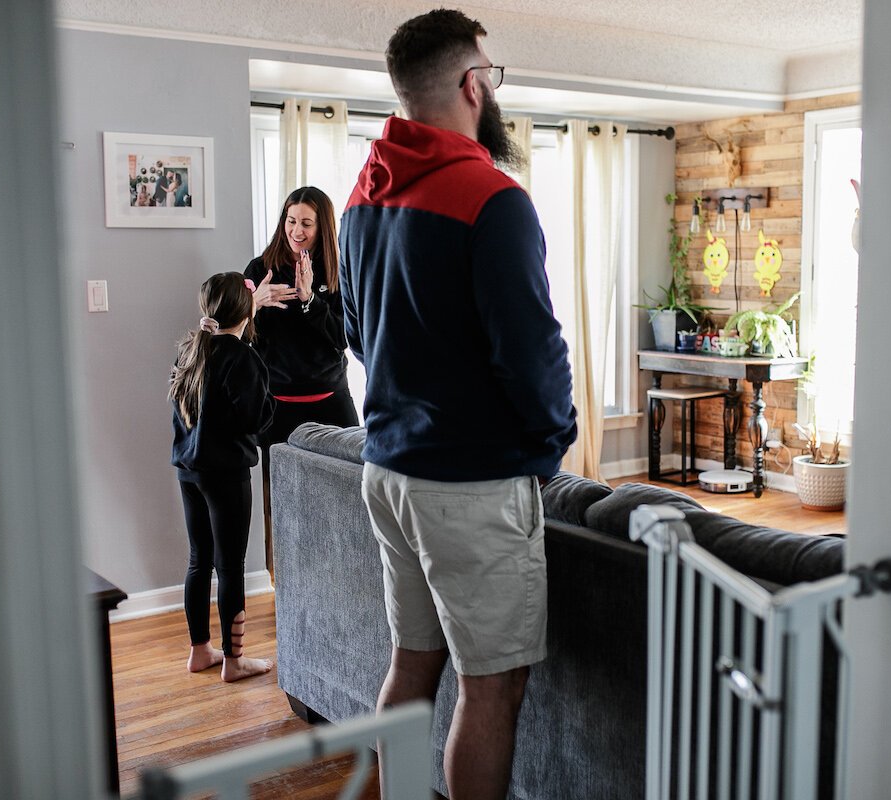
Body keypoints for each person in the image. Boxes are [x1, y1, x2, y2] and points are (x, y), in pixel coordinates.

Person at [338, 10, 576, 799]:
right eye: (492, 76)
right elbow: (533, 354)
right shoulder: (492, 198)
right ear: (474, 85)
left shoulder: (360, 198)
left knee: (411, 666)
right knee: (492, 687)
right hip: (469, 487)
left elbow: (358, 334)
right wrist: (550, 446)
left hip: (387, 471)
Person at [243, 186, 359, 576]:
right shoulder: (260, 270)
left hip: (330, 402)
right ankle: (285, 581)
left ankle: (340, 577)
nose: (297, 230)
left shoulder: (340, 273)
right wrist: (253, 304)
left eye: (306, 223)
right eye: (291, 220)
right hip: (278, 406)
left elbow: (343, 339)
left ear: (321, 227)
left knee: (344, 495)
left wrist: (311, 301)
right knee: (282, 502)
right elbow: (236, 335)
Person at [169, 272, 276, 683]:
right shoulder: (243, 358)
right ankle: (234, 661)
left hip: (188, 470)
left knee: (200, 561)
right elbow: (256, 419)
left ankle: (200, 651)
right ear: (247, 310)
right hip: (226, 472)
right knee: (230, 567)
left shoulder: (190, 349)